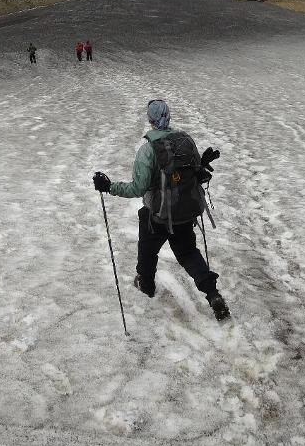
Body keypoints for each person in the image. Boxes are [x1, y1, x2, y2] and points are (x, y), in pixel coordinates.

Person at [93, 99, 230, 321]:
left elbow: (138, 188)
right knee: (188, 253)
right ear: (169, 117)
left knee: (148, 249)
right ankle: (212, 293)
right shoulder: (186, 140)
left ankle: (146, 284)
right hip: (185, 214)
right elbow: (195, 172)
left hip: (158, 216)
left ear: (150, 120)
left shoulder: (148, 151)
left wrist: (109, 187)